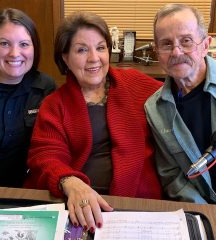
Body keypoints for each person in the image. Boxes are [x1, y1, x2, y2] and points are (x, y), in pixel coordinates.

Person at [25, 11, 162, 232]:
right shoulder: (54, 104)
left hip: (137, 206)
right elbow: (45, 155)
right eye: (81, 50)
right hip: (77, 207)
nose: (94, 58)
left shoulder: (136, 84)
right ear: (65, 58)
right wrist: (70, 181)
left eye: (100, 48)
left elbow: (180, 95)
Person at [0, 8, 56, 187]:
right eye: (4, 43)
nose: (14, 53)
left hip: (25, 193)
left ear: (34, 48)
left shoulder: (45, 88)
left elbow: (51, 148)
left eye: (24, 44)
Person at [145, 3, 216, 204]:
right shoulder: (155, 109)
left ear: (205, 45)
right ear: (157, 52)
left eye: (186, 41)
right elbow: (172, 176)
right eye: (166, 44)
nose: (176, 52)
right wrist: (206, 213)